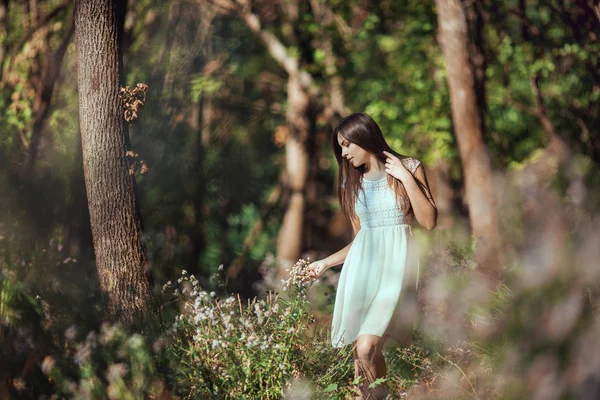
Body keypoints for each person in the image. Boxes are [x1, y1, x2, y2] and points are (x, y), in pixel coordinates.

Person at [307, 112, 437, 399]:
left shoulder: (411, 167)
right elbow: (360, 240)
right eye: (340, 147)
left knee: (366, 346)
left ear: (363, 138)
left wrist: (404, 176)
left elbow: (428, 221)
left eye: (346, 145)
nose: (343, 153)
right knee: (360, 358)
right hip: (362, 274)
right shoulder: (351, 185)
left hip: (397, 272)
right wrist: (325, 262)